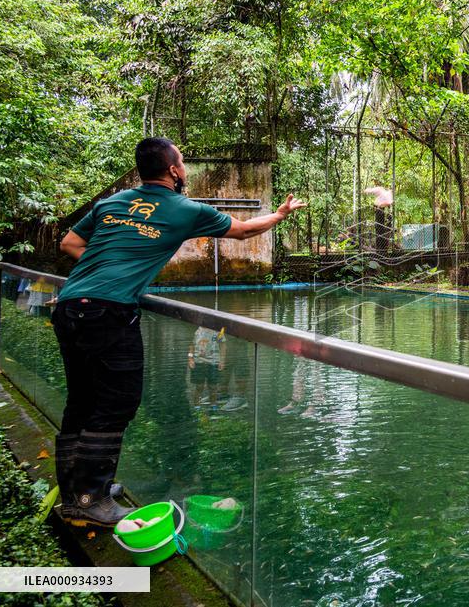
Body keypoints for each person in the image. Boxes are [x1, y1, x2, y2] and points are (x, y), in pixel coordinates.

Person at [52, 136, 306, 527]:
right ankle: (91, 498)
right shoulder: (183, 208)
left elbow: (70, 243)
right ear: (173, 170)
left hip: (70, 306)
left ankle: (76, 493)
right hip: (109, 312)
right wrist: (282, 214)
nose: (183, 168)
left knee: (81, 403)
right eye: (182, 162)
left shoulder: (111, 203)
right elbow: (243, 230)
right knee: (115, 405)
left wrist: (109, 265)